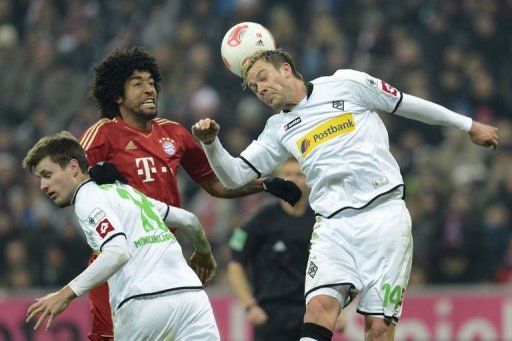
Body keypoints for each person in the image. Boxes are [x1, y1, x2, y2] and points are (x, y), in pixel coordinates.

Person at [191, 49, 499, 341]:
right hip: (333, 227)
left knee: (378, 328)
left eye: (263, 77)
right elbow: (233, 178)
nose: (260, 88)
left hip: (384, 218)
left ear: (285, 68)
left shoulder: (346, 84)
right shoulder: (278, 128)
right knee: (317, 310)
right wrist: (210, 144)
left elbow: (405, 103)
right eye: (254, 85)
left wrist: (468, 125)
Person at [81, 47, 301, 340]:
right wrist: (95, 181)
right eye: (137, 83)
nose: (149, 90)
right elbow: (73, 181)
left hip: (163, 254)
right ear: (117, 96)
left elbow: (217, 185)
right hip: (117, 258)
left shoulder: (175, 134)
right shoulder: (104, 134)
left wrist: (265, 184)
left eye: (151, 82)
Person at [22, 131, 220, 340]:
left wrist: (66, 294)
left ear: (73, 167)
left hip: (144, 303)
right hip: (192, 298)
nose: (43, 186)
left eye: (47, 175)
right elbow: (189, 220)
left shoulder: (87, 199)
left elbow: (117, 252)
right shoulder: (128, 193)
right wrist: (204, 251)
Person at [228, 157, 345, 341]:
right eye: (287, 174)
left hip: (311, 313)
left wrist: (338, 310)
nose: (293, 179)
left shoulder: (320, 221)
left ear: (309, 180)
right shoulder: (260, 219)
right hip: (271, 314)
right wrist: (250, 305)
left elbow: (334, 267)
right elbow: (235, 263)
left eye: (298, 175)